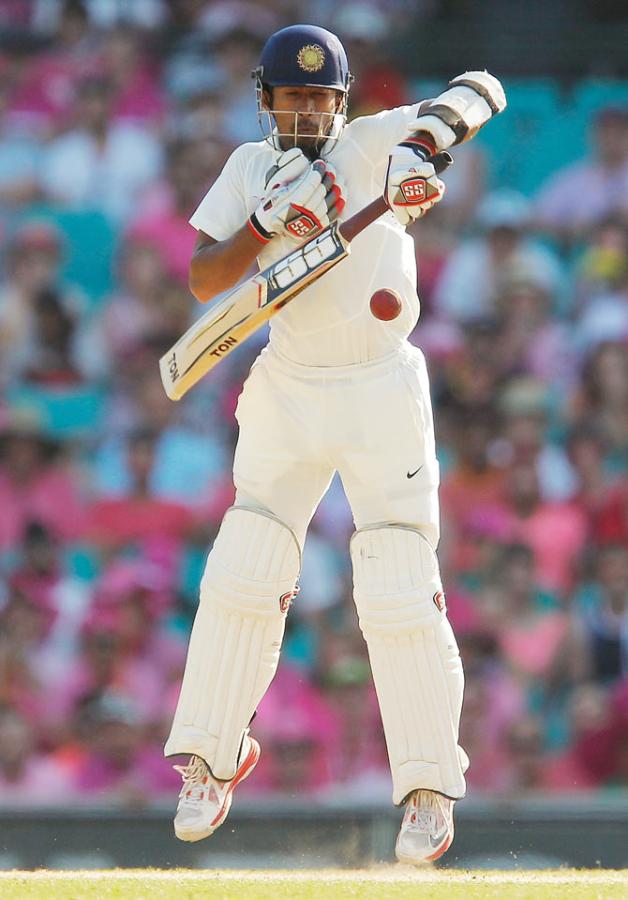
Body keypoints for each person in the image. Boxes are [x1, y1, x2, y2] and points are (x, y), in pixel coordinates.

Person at [164, 23, 505, 865]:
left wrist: (424, 150)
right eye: (294, 96)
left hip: (382, 385)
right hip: (289, 383)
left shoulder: (372, 142)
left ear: (342, 99)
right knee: (245, 565)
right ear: (267, 100)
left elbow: (484, 88)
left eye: (322, 96)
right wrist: (265, 226)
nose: (309, 110)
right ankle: (211, 758)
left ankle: (428, 785)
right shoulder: (249, 170)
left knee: (395, 577)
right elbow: (207, 278)